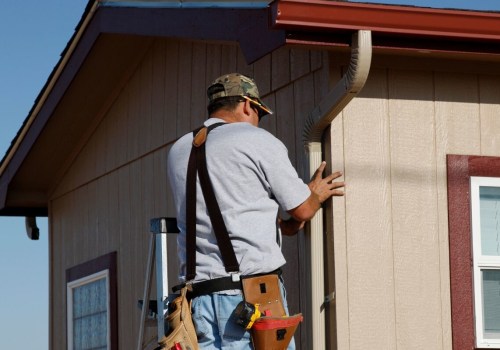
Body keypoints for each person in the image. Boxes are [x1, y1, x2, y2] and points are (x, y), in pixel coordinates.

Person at [167, 73, 344, 349]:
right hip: (248, 299)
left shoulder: (179, 150)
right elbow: (303, 209)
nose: (258, 120)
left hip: (194, 304)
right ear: (247, 106)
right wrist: (316, 193)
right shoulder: (255, 139)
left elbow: (224, 211)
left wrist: (282, 225)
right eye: (259, 113)